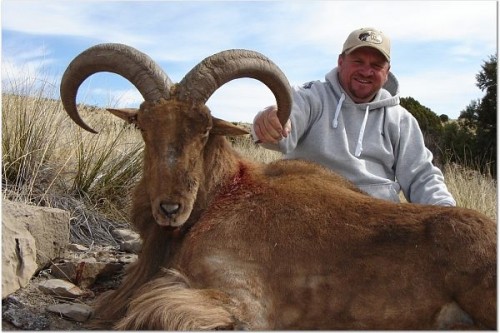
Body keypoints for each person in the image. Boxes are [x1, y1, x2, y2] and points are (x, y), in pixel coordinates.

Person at [252, 27, 456, 206]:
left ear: (387, 72)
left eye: (376, 65)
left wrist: (445, 209)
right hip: (306, 212)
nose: (366, 71)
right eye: (358, 61)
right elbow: (284, 122)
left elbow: (421, 176)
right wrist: (269, 124)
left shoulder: (401, 120)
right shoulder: (311, 96)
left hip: (374, 225)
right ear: (341, 62)